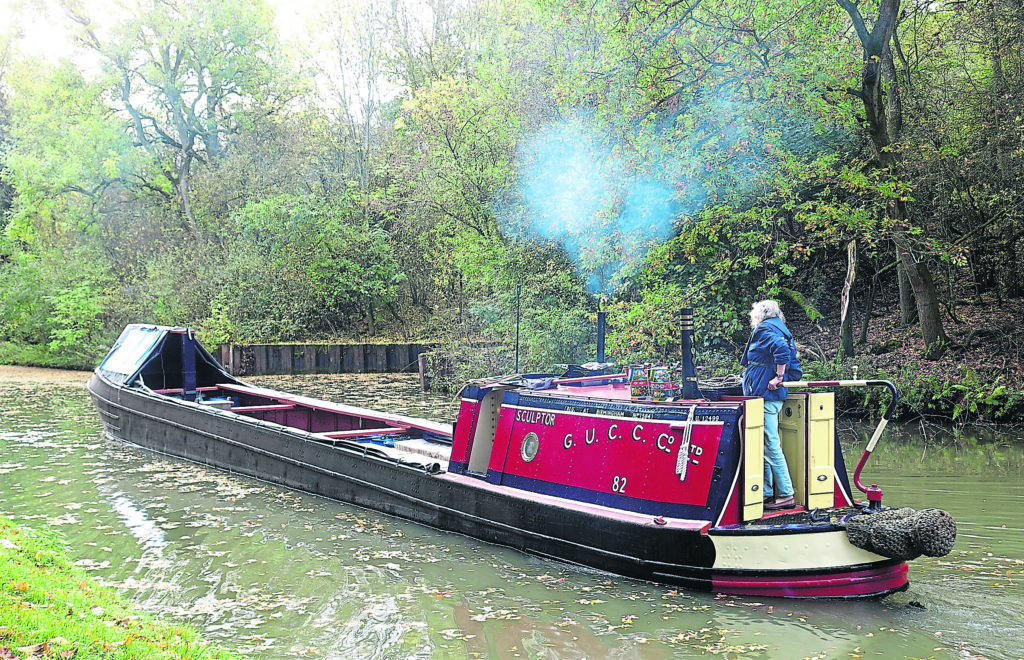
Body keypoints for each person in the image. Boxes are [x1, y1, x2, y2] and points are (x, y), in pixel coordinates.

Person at [741, 300, 799, 511]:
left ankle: (785, 493)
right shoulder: (778, 328)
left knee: (771, 443)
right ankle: (765, 492)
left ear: (759, 315)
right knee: (764, 444)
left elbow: (781, 349)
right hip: (764, 397)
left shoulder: (765, 329)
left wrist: (778, 376)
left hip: (767, 396)